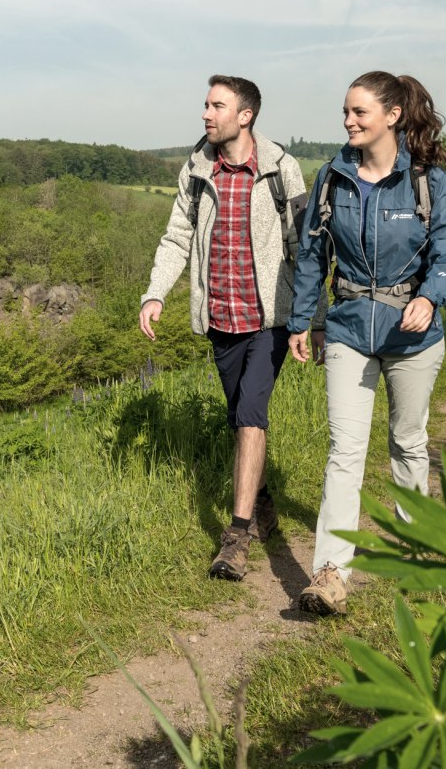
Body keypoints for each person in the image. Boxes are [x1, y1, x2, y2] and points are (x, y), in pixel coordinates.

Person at [284, 72, 446, 615]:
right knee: (345, 450)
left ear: (392, 116)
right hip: (348, 328)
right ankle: (331, 573)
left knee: (407, 441)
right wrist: (304, 322)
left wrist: (430, 297)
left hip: (412, 335)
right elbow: (313, 256)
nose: (348, 121)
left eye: (359, 112)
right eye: (345, 112)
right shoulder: (332, 178)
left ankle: (417, 548)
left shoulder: (428, 181)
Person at [140, 75, 315, 581]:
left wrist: (315, 319)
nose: (205, 113)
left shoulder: (283, 170)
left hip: (269, 320)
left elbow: (306, 248)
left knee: (250, 417)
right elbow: (177, 236)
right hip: (220, 318)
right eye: (205, 104)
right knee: (239, 415)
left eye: (217, 105)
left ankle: (235, 539)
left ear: (246, 115)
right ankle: (261, 502)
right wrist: (156, 292)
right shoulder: (196, 170)